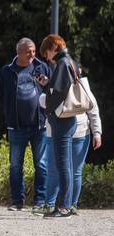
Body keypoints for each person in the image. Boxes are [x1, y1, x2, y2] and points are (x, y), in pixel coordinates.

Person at [0, 38, 52, 214]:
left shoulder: (42, 67)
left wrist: (47, 83)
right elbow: (0, 96)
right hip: (16, 127)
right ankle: (17, 201)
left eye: (34, 51)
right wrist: (9, 113)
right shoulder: (6, 71)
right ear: (18, 52)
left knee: (41, 165)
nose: (32, 54)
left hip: (39, 125)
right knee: (15, 166)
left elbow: (53, 91)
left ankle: (39, 201)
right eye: (28, 51)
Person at [37, 34, 83, 218]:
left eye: (46, 53)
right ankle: (67, 205)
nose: (47, 58)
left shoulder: (62, 63)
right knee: (67, 165)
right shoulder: (71, 61)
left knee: (63, 165)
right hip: (69, 119)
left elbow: (58, 93)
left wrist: (46, 104)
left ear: (53, 48)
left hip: (62, 120)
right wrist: (49, 85)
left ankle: (63, 207)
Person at [43, 88, 103, 215]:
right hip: (54, 133)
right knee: (54, 170)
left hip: (79, 133)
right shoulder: (54, 83)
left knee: (74, 171)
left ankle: (71, 205)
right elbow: (44, 102)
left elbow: (93, 109)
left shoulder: (81, 86)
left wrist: (97, 132)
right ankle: (50, 204)